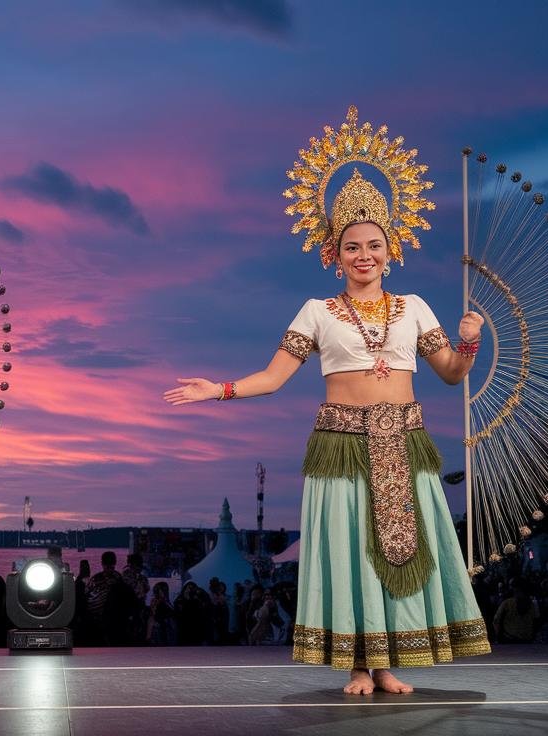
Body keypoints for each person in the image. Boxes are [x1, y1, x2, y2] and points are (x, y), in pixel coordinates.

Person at [165, 108, 490, 694]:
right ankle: (358, 665)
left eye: (374, 244)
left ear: (391, 249)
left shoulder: (415, 306)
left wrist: (469, 339)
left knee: (401, 554)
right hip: (341, 445)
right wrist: (220, 389)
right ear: (333, 254)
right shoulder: (316, 312)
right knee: (351, 556)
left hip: (405, 441)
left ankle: (389, 663)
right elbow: (273, 376)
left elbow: (449, 374)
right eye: (351, 247)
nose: (363, 255)